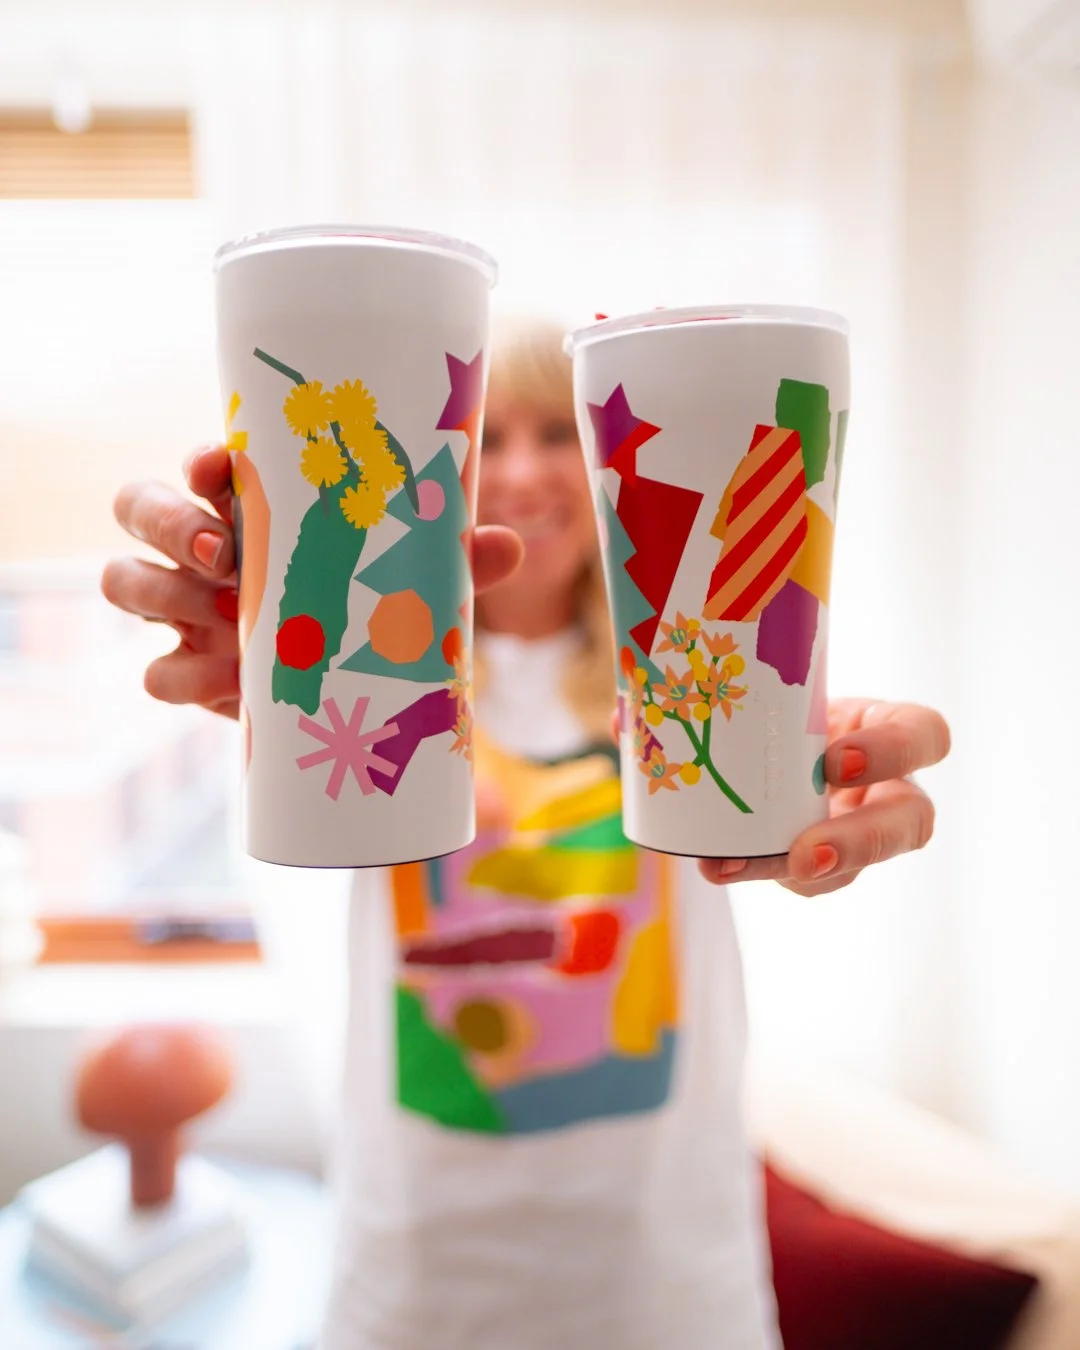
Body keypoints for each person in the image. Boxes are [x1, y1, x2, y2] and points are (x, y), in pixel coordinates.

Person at [102, 318, 950, 1350]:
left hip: (665, 1272)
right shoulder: (373, 673)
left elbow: (786, 779)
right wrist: (280, 633)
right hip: (416, 1270)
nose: (518, 470)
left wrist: (826, 793)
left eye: (560, 432)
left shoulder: (700, 673)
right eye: (482, 436)